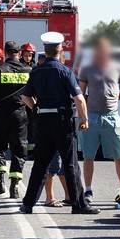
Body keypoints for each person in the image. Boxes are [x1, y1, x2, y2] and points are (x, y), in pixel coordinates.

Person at [19, 31, 98, 215]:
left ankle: (28, 203)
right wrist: (84, 119)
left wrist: (36, 109)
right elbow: (79, 98)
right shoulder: (65, 71)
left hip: (43, 122)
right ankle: (79, 205)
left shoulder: (36, 71)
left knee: (40, 164)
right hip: (62, 123)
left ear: (45, 51)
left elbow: (25, 97)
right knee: (70, 164)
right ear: (60, 49)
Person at [77, 38, 120, 200]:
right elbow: (80, 92)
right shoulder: (87, 68)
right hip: (92, 117)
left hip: (112, 117)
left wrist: (117, 98)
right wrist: (85, 111)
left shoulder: (117, 67)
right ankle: (88, 190)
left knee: (119, 156)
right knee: (88, 155)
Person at [0, 41, 32, 198]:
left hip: (0, 114)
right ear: (19, 53)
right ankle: (15, 187)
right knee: (19, 150)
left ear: (5, 53)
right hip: (20, 115)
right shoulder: (29, 70)